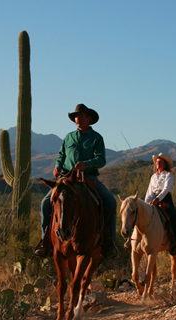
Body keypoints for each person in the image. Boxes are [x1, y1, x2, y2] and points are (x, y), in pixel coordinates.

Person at [34, 104, 118, 259]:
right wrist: (57, 166)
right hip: (66, 178)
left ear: (89, 118)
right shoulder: (68, 137)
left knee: (110, 202)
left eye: (81, 116)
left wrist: (87, 164)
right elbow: (61, 156)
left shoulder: (96, 138)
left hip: (88, 177)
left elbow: (101, 159)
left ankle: (109, 242)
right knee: (45, 203)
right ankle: (45, 242)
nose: (78, 119)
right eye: (76, 117)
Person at [144, 153, 176, 255]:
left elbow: (166, 190)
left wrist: (158, 199)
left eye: (160, 162)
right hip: (153, 198)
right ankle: (135, 240)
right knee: (140, 214)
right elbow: (149, 191)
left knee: (174, 218)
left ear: (164, 164)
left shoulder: (169, 175)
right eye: (156, 162)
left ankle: (174, 244)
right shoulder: (153, 177)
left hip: (165, 199)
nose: (157, 163)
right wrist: (146, 203)